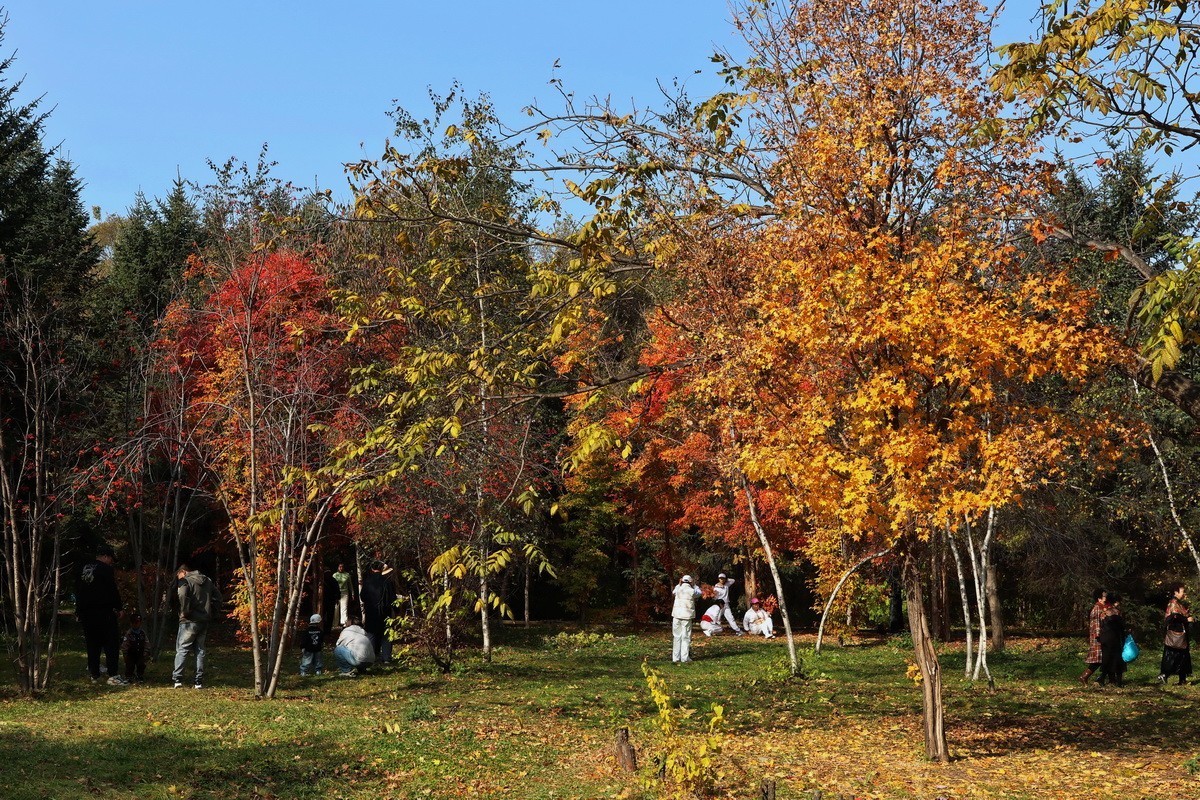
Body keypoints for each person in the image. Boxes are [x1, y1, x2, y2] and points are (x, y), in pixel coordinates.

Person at [76, 543, 126, 686]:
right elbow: (112, 589)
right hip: (103, 612)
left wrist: (78, 610)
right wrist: (119, 607)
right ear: (105, 557)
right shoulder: (105, 569)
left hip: (86, 612)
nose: (111, 562)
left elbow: (79, 590)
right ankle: (113, 675)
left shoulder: (84, 568)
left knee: (92, 644)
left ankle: (94, 674)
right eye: (111, 559)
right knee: (111, 643)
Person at [173, 561, 222, 689]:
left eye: (178, 576)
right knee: (200, 650)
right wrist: (213, 611)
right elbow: (218, 596)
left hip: (189, 621)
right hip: (204, 620)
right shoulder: (207, 580)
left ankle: (178, 679)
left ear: (182, 572)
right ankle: (198, 682)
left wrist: (184, 610)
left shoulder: (185, 580)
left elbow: (182, 594)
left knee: (182, 649)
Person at [360, 561, 397, 664]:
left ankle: (371, 658)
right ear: (382, 569)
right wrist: (396, 611)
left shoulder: (367, 582)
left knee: (371, 634)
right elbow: (393, 598)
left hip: (371, 611)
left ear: (372, 569)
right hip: (385, 611)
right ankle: (386, 658)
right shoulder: (387, 581)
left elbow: (362, 596)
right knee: (386, 635)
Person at [1158, 583, 1194, 686]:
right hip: (1176, 635)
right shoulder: (1173, 603)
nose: (1184, 593)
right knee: (1175, 655)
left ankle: (1182, 679)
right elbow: (1175, 617)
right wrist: (1186, 619)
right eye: (1182, 591)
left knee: (1182, 656)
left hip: (1180, 635)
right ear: (1176, 592)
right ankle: (1165, 674)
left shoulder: (1177, 603)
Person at [1096, 591, 1126, 688]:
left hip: (1105, 638)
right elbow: (1121, 627)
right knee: (1118, 659)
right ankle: (1119, 681)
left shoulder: (1103, 612)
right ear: (1115, 602)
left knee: (1106, 659)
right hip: (1115, 638)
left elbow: (1101, 625)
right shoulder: (1116, 612)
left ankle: (1102, 678)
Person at [671, 575, 702, 663]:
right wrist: (695, 585)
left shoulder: (678, 589)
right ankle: (684, 657)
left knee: (676, 636)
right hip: (687, 616)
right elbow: (699, 593)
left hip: (676, 615)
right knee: (686, 637)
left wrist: (678, 584)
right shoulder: (692, 590)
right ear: (690, 582)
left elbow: (673, 592)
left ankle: (675, 658)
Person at [1079, 587, 1107, 686]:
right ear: (1099, 598)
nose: (1106, 598)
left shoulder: (1100, 608)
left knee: (1102, 660)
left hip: (1100, 637)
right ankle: (1084, 677)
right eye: (1104, 596)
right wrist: (1101, 636)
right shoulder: (1098, 609)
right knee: (1099, 660)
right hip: (1098, 638)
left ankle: (1100, 679)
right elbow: (1097, 625)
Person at [121, 612, 148, 683]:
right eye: (133, 622)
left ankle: (139, 676)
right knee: (130, 665)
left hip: (140, 653)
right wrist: (125, 654)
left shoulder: (142, 633)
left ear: (140, 623)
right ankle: (129, 676)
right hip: (131, 654)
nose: (135, 624)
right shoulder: (129, 633)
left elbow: (146, 643)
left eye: (137, 622)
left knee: (141, 664)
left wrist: (146, 652)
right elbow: (125, 645)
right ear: (131, 623)